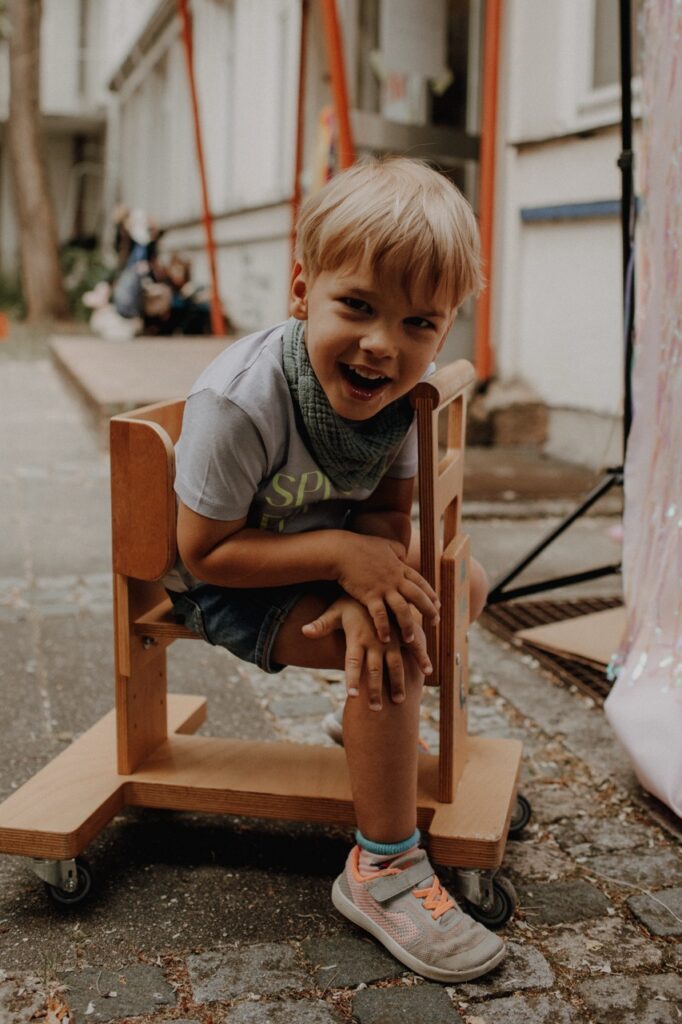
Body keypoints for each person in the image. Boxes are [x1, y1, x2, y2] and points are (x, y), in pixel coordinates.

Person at [164, 157, 505, 983]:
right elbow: (201, 553)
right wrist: (345, 564)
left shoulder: (396, 399)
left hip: (314, 559)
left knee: (463, 585)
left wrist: (371, 565)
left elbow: (386, 521)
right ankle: (381, 868)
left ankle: (370, 735)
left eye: (420, 324)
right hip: (225, 585)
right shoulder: (241, 402)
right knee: (393, 644)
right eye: (357, 306)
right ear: (301, 289)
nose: (383, 344)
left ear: (446, 329)